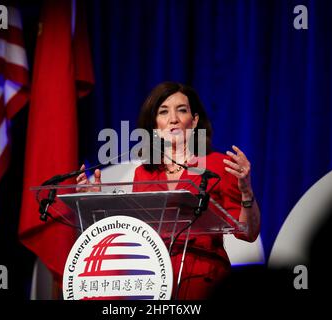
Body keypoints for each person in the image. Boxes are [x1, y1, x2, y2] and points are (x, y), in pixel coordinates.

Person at [76, 81, 260, 299]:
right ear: (154, 126)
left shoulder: (218, 165)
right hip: (152, 280)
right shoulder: (144, 174)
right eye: (163, 112)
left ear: (194, 121)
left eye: (181, 110)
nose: (173, 118)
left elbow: (248, 233)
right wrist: (97, 205)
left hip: (204, 280)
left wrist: (246, 192)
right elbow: (133, 233)